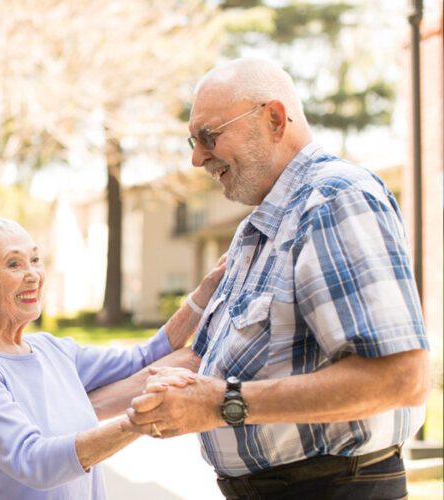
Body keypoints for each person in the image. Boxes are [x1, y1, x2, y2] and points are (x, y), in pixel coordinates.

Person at [124, 57, 430, 499]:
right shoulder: (260, 226)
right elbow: (201, 365)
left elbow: (400, 377)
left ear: (274, 119)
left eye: (209, 136)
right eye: (194, 140)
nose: (196, 158)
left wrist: (222, 404)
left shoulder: (333, 199)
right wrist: (69, 405)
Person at [0, 217, 226, 499]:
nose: (33, 275)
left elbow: (144, 358)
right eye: (14, 264)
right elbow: (33, 462)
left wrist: (206, 291)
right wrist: (142, 421)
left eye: (35, 259)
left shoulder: (52, 349)